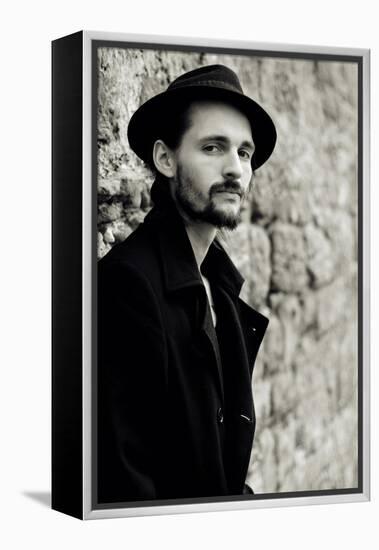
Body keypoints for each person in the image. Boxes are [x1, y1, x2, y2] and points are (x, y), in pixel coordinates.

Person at [97, 64, 276, 504]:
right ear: (165, 158)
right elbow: (125, 482)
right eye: (213, 147)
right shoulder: (128, 284)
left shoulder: (219, 282)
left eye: (245, 152)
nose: (235, 169)